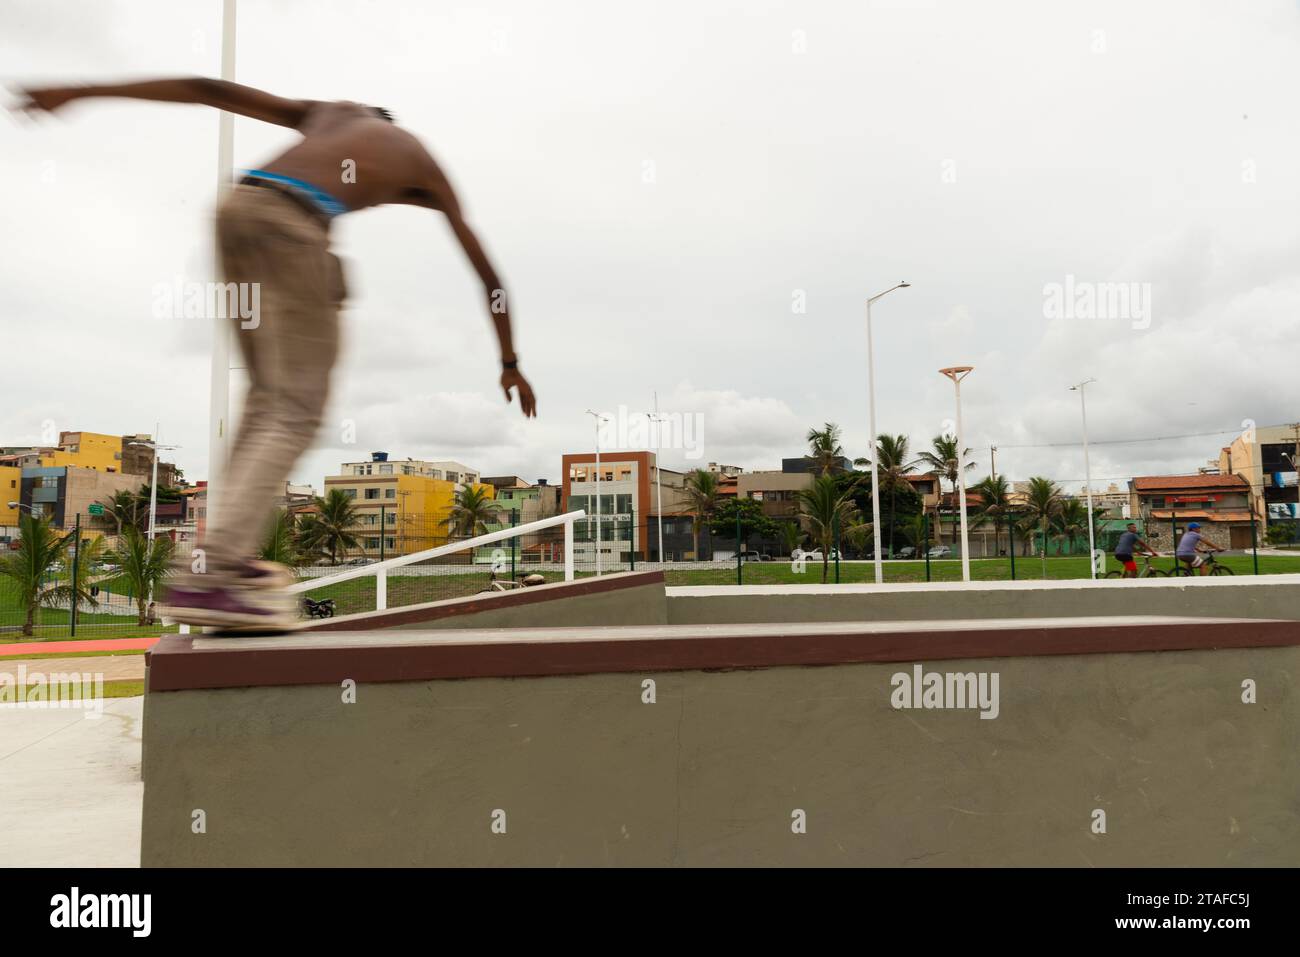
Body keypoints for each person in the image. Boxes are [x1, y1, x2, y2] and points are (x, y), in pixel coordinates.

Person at [16, 78, 537, 631]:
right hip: (293, 227)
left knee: (267, 401)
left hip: (237, 210)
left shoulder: (329, 112)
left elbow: (203, 88)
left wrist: (77, 91)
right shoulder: (417, 158)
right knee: (293, 411)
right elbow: (488, 272)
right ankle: (214, 577)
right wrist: (509, 361)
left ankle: (219, 560)